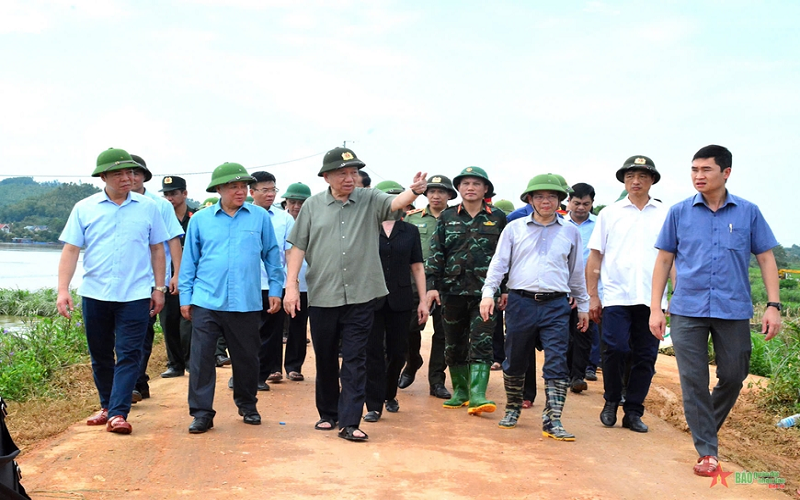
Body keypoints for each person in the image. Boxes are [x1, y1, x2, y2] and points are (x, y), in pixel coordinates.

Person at [649, 145, 782, 477]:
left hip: (733, 309)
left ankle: (704, 424)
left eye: (706, 170)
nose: (698, 176)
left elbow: (765, 258)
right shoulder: (679, 212)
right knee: (693, 379)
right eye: (694, 169)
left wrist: (773, 306)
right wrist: (656, 307)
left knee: (734, 376)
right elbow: (664, 259)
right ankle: (707, 451)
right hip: (687, 309)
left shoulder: (748, 212)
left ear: (726, 172)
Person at [284, 146, 427, 442]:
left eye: (353, 173)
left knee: (355, 357)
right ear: (326, 177)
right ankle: (328, 413)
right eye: (342, 173)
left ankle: (350, 420)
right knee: (324, 356)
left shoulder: (369, 199)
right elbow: (297, 246)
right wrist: (291, 285)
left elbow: (396, 202)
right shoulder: (311, 206)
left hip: (362, 295)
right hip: (324, 293)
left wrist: (413, 192)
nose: (349, 178)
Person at [57, 147, 169, 434]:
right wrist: (63, 290)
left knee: (130, 352)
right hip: (95, 293)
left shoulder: (148, 208)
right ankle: (107, 406)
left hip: (135, 294)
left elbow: (158, 249)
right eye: (118, 173)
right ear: (103, 176)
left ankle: (119, 413)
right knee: (100, 353)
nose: (126, 178)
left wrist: (159, 288)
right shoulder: (85, 208)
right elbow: (70, 250)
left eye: (130, 172)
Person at [481, 174, 589, 438]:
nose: (545, 201)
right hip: (520, 303)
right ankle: (513, 407)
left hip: (556, 305)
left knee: (556, 361)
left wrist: (583, 304)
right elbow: (499, 264)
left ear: (560, 201)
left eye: (552, 196)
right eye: (539, 196)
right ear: (530, 200)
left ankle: (553, 420)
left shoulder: (570, 231)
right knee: (515, 359)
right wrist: (488, 293)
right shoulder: (514, 228)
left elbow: (576, 271)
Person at [179, 162, 283, 433]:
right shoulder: (200, 220)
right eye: (233, 186)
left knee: (247, 356)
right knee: (201, 358)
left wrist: (275, 289)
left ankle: (248, 405)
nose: (240, 191)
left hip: (246, 301)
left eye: (243, 186)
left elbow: (272, 256)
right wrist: (185, 297)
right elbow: (189, 261)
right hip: (206, 300)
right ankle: (202, 412)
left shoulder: (259, 217)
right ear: (219, 189)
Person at [586, 155, 668, 434]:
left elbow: (673, 259)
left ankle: (633, 410)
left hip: (652, 300)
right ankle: (611, 400)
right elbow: (595, 257)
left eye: (643, 176)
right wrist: (593, 296)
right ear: (623, 180)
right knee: (615, 348)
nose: (636, 181)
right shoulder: (610, 213)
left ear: (652, 181)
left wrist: (673, 298)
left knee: (646, 356)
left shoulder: (665, 214)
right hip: (616, 296)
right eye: (631, 176)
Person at [426, 166, 507, 415]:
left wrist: (504, 289)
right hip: (452, 291)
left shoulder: (499, 218)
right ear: (458, 189)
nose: (470, 188)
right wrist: (432, 287)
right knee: (453, 343)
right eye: (465, 184)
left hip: (486, 294)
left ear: (485, 189)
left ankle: (478, 395)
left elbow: (506, 256)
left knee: (482, 341)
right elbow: (436, 253)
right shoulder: (447, 217)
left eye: (476, 184)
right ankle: (460, 391)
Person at [364, 181, 428, 422]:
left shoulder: (410, 231)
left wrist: (423, 300)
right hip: (371, 298)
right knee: (372, 352)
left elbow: (417, 267)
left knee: (397, 352)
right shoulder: (366, 229)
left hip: (401, 300)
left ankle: (390, 394)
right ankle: (373, 404)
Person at [128, 155, 185, 401]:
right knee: (125, 336)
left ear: (144, 176)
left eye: (135, 173)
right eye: (124, 173)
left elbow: (173, 239)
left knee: (142, 332)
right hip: (123, 282)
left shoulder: (158, 205)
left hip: (151, 280)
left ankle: (134, 384)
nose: (130, 178)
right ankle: (138, 383)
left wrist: (176, 275)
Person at [400, 175, 457, 400]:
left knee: (443, 334)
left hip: (447, 285)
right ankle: (412, 363)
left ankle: (436, 381)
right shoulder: (412, 218)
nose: (435, 195)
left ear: (450, 195)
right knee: (408, 329)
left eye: (441, 191)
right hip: (415, 285)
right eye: (431, 191)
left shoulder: (457, 218)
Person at [250, 171, 293, 387]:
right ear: (252, 192)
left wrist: (289, 284)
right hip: (247, 285)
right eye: (264, 190)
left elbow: (290, 252)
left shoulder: (284, 219)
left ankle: (260, 374)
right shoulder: (242, 215)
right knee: (246, 332)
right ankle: (243, 373)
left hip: (273, 284)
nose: (270, 194)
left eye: (273, 189)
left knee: (270, 333)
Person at [564, 183, 599, 394]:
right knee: (564, 335)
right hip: (561, 290)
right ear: (568, 202)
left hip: (588, 290)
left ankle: (578, 375)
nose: (580, 208)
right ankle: (565, 372)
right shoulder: (559, 224)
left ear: (592, 203)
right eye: (576, 203)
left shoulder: (599, 225)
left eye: (586, 204)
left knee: (584, 334)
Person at [159, 175, 195, 378]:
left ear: (184, 193)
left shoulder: (196, 217)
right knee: (168, 320)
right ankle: (175, 364)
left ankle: (191, 361)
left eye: (174, 193)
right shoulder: (161, 219)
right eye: (166, 194)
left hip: (192, 276)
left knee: (189, 321)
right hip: (167, 275)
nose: (170, 198)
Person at [281, 182, 312, 381]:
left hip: (305, 283)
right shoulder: (278, 221)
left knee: (298, 326)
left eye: (301, 202)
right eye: (293, 202)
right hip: (279, 282)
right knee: (274, 328)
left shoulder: (314, 222)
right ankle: (272, 366)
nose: (297, 206)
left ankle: (294, 365)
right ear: (286, 203)